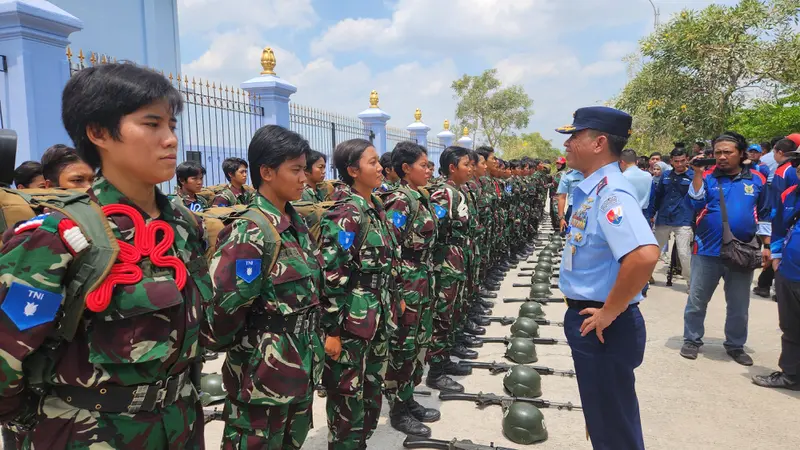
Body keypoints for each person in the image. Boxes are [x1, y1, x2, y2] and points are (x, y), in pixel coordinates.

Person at [0, 62, 210, 448]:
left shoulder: (184, 227)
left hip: (179, 424)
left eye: (172, 126)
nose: (170, 140)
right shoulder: (58, 237)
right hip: (90, 432)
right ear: (98, 133)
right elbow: (5, 361)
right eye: (152, 124)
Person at [206, 125, 324, 449]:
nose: (304, 178)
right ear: (267, 172)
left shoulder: (296, 226)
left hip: (298, 372)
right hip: (261, 382)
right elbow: (225, 311)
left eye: (304, 169)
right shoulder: (250, 232)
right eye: (296, 170)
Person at [554, 106, 658, 450]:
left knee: (612, 424)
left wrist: (610, 311)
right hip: (594, 323)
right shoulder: (595, 189)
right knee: (606, 417)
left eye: (574, 137)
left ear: (599, 143)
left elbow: (643, 255)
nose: (567, 144)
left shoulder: (612, 193)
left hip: (602, 327)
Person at [319, 138, 397, 450]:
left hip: (376, 313)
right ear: (353, 170)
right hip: (351, 319)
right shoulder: (346, 214)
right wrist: (332, 331)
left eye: (379, 162)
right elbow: (332, 276)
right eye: (372, 162)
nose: (380, 168)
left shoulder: (374, 206)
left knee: (371, 387)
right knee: (346, 395)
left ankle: (359, 443)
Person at [681, 132, 771, 366]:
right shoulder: (708, 178)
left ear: (741, 154)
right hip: (706, 250)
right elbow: (694, 202)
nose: (721, 157)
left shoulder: (757, 180)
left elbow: (764, 214)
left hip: (742, 252)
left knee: (739, 305)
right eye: (717, 152)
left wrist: (768, 246)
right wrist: (698, 173)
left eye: (727, 152)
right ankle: (691, 340)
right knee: (697, 299)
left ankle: (735, 345)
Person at [381, 141, 442, 437]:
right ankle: (397, 408)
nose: (429, 170)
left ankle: (408, 397)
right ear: (406, 169)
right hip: (406, 281)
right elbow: (390, 248)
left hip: (421, 277)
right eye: (423, 165)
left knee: (418, 344)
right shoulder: (400, 201)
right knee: (403, 346)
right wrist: (396, 293)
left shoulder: (420, 196)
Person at [426, 146, 474, 394]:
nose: (471, 169)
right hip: (445, 263)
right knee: (441, 317)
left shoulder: (458, 191)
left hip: (456, 259)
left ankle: (443, 360)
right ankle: (435, 372)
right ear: (453, 168)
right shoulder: (444, 194)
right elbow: (433, 229)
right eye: (466, 164)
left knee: (451, 313)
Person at [753, 153, 800, 391]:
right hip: (789, 273)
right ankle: (791, 375)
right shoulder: (788, 195)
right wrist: (776, 255)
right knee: (791, 327)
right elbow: (779, 226)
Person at [755, 138, 799, 298]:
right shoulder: (789, 170)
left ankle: (766, 286)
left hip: (779, 217)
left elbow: (778, 198)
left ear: (779, 152)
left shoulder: (784, 171)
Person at [652, 148, 695, 285]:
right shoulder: (665, 176)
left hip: (683, 219)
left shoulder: (694, 176)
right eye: (676, 161)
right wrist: (652, 214)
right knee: (654, 251)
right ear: (671, 161)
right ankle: (645, 277)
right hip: (664, 218)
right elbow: (657, 196)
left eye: (682, 161)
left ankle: (691, 282)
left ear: (687, 159)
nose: (680, 164)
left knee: (683, 253)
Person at [619, 149, 653, 215]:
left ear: (622, 162)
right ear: (637, 162)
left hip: (628, 213)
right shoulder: (648, 176)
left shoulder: (622, 177)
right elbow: (652, 197)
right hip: (645, 213)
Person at [556, 164, 585, 234]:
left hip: (592, 209)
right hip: (574, 210)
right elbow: (562, 198)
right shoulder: (568, 175)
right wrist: (561, 218)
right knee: (573, 235)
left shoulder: (594, 172)